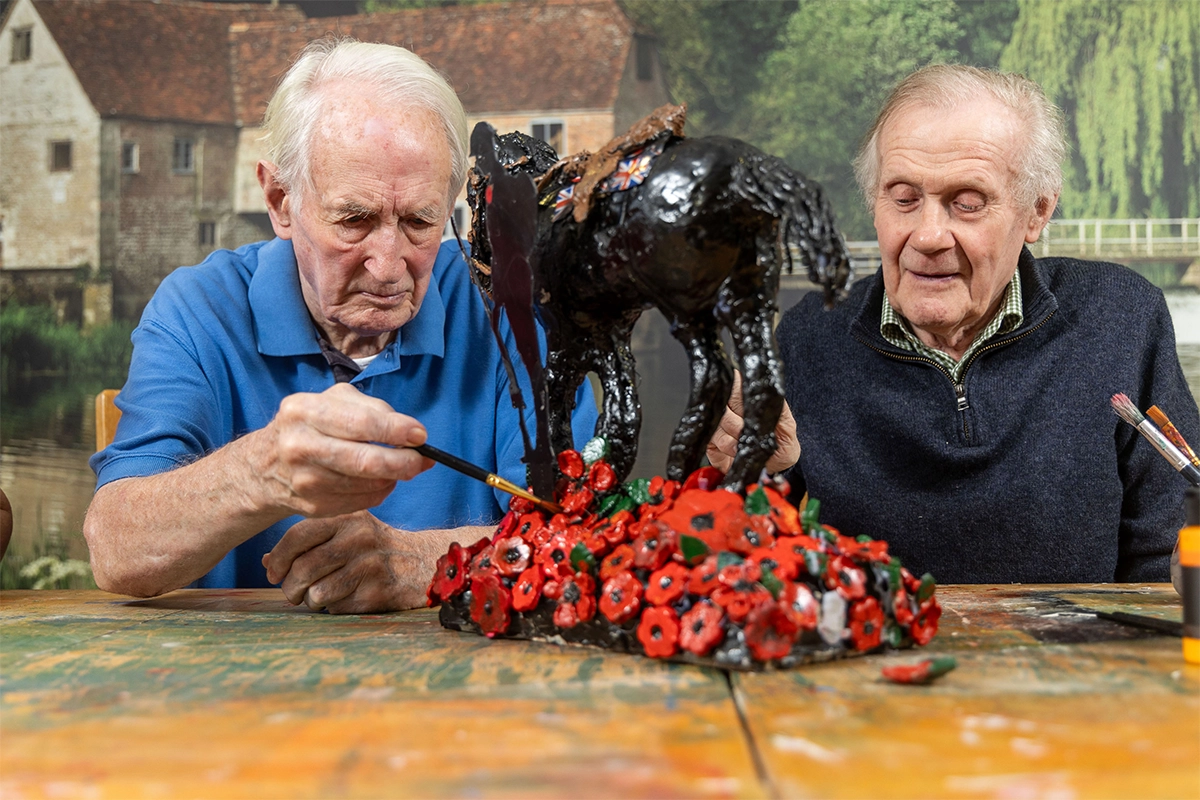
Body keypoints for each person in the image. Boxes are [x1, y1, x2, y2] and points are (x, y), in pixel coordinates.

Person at [85, 38, 798, 614]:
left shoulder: (507, 306)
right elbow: (116, 552)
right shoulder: (199, 307)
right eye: (354, 220)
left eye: (421, 221)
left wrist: (420, 563)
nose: (389, 264)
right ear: (280, 199)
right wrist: (262, 472)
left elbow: (579, 534)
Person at [777, 64, 1200, 584]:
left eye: (967, 204)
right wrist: (755, 472)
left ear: (1036, 213)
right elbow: (763, 559)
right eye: (904, 199)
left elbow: (1171, 554)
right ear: (874, 203)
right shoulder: (805, 337)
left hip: (1078, 658)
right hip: (873, 659)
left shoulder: (1121, 316)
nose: (929, 235)